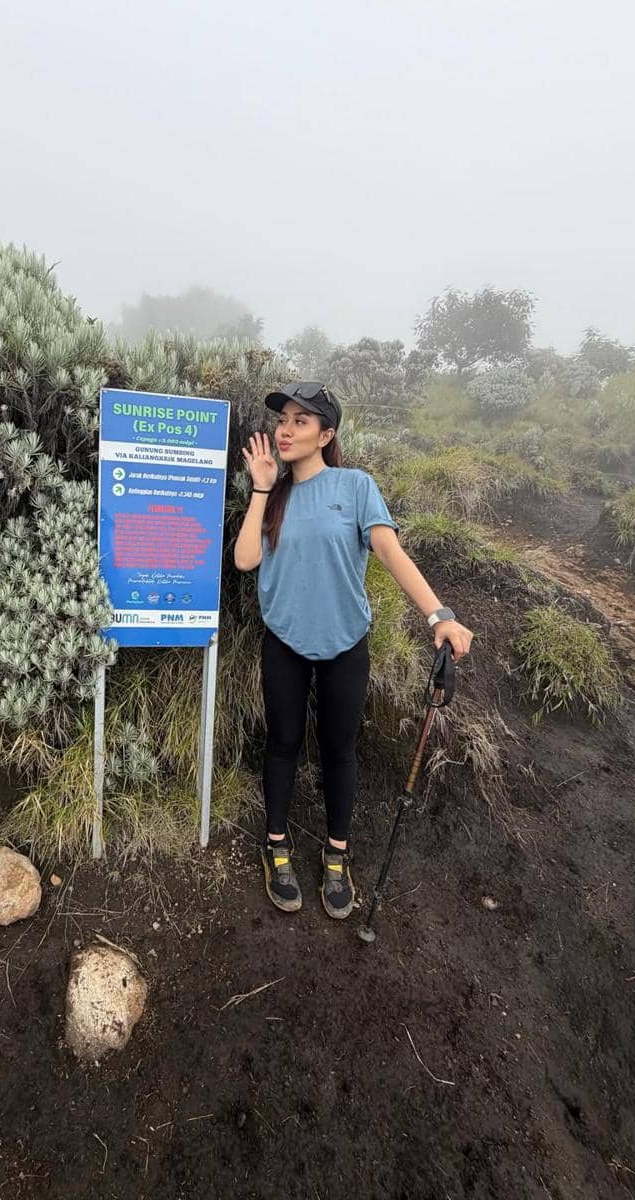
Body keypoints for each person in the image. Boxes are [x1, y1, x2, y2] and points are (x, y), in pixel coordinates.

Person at [234, 381, 473, 919]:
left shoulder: (356, 486)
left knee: (340, 748)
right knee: (283, 743)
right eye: (283, 420)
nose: (287, 429)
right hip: (285, 642)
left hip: (345, 642)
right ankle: (277, 847)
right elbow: (246, 560)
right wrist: (261, 488)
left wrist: (440, 616)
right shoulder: (276, 495)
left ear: (327, 434)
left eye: (301, 420)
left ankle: (337, 854)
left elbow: (391, 552)